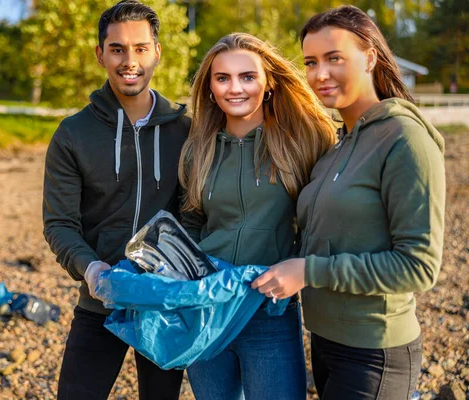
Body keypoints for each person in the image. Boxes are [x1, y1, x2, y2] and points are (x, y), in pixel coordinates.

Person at [251, 5, 446, 400]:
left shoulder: (404, 140)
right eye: (310, 62)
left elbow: (419, 266)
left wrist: (309, 271)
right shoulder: (336, 143)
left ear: (370, 57)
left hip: (375, 350)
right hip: (326, 342)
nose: (320, 74)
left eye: (334, 58)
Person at [42, 1, 190, 399]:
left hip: (164, 303)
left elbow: (198, 212)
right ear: (100, 54)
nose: (130, 61)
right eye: (118, 49)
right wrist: (91, 271)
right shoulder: (73, 134)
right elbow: (59, 224)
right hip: (99, 303)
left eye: (141, 48)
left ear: (157, 52)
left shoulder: (187, 129)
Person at [179, 32, 336, 400]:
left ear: (268, 84)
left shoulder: (305, 140)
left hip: (270, 312)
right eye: (223, 78)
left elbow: (324, 218)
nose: (235, 88)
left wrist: (300, 266)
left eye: (247, 77)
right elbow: (191, 223)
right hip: (208, 313)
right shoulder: (197, 150)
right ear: (211, 87)